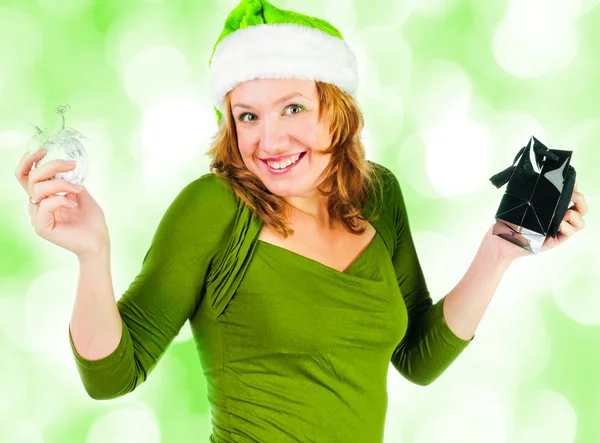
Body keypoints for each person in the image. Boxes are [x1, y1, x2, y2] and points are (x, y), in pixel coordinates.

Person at [14, 0, 588, 442]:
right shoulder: (213, 208)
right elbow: (111, 375)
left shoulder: (377, 194)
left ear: (333, 111)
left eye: (293, 108)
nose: (270, 140)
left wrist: (501, 248)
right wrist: (92, 254)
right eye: (248, 116)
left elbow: (418, 357)